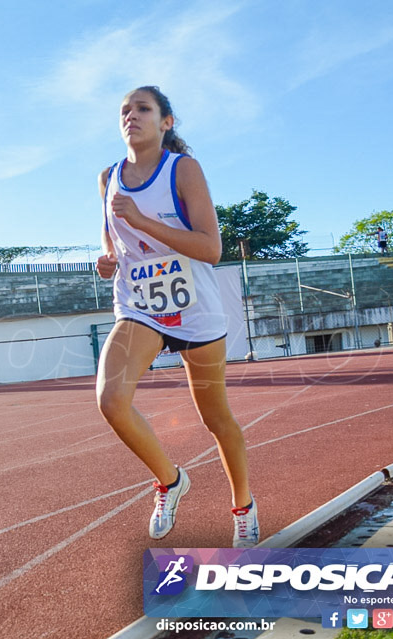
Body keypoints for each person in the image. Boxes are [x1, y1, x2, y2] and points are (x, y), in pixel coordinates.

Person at [95, 85, 258, 548]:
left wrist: (145, 222)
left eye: (143, 109)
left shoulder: (183, 170)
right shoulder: (108, 178)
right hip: (139, 307)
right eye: (125, 110)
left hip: (195, 312)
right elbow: (111, 244)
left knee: (216, 418)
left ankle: (243, 506)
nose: (132, 116)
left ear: (166, 122)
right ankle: (170, 480)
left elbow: (211, 249)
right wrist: (104, 260)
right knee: (111, 401)